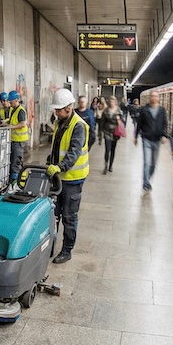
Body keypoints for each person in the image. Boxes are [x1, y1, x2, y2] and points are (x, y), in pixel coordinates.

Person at [46, 88, 89, 264]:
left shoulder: (78, 126)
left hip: (72, 179)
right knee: (53, 214)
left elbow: (74, 153)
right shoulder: (59, 122)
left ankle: (67, 250)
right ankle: (50, 246)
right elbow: (57, 147)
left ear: (69, 108)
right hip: (58, 178)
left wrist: (60, 166)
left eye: (59, 109)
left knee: (69, 216)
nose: (56, 112)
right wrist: (51, 161)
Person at [134, 90, 168, 195]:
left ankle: (148, 179)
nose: (154, 98)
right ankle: (146, 185)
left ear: (158, 98)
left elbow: (165, 123)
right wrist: (135, 136)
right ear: (150, 97)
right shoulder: (144, 109)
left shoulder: (162, 110)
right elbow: (139, 124)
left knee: (153, 164)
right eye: (152, 96)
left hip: (157, 140)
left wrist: (164, 135)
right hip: (146, 139)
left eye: (156, 96)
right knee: (147, 163)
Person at [3, 90, 29, 187]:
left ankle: (15, 185)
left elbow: (23, 124)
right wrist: (5, 124)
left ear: (17, 100)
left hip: (19, 141)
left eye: (11, 101)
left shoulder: (21, 110)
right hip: (14, 140)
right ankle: (13, 182)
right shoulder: (13, 110)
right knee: (13, 162)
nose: (10, 102)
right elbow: (12, 121)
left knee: (15, 164)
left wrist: (10, 127)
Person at [99, 96, 123, 174]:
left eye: (113, 101)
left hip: (115, 133)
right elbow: (102, 122)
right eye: (110, 101)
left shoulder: (119, 111)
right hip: (107, 132)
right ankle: (105, 166)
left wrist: (119, 119)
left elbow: (123, 122)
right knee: (107, 149)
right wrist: (100, 132)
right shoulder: (105, 111)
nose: (111, 103)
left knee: (113, 150)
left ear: (115, 102)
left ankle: (111, 165)